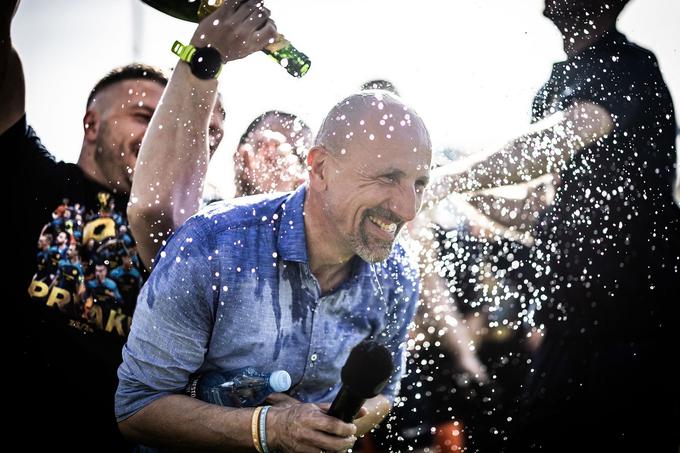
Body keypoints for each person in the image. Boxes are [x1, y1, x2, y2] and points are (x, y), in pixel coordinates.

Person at [114, 6, 432, 451]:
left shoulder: (396, 273)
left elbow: (386, 394)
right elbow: (135, 410)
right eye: (387, 178)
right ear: (319, 168)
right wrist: (268, 430)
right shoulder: (213, 245)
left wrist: (340, 422)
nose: (407, 207)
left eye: (420, 183)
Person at [431, 0, 679, 449]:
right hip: (571, 326)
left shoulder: (629, 66)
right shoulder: (556, 84)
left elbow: (558, 140)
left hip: (639, 325)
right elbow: (531, 208)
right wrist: (441, 186)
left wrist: (450, 176)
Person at [1, 0, 225, 449]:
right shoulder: (28, 174)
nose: (156, 133)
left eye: (167, 124)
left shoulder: (198, 235)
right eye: (144, 117)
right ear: (91, 124)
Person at [232, 110, 313, 198]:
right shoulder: (215, 207)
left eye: (299, 158)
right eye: (263, 145)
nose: (278, 163)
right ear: (241, 156)